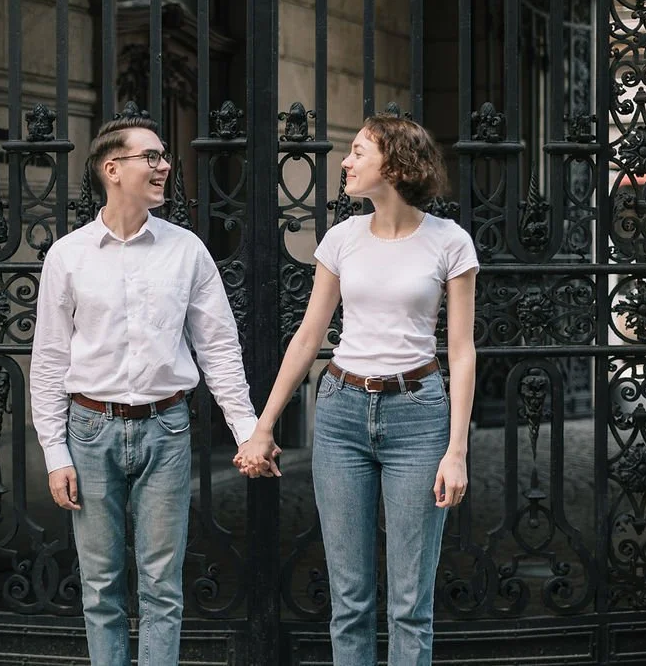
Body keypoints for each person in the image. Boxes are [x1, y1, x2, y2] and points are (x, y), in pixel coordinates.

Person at [235, 115, 478, 665]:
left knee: (410, 603)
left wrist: (456, 450)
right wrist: (263, 426)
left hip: (417, 416)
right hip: (341, 412)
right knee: (349, 600)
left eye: (359, 151)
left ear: (395, 165)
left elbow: (462, 351)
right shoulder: (342, 239)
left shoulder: (450, 242)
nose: (345, 161)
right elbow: (308, 337)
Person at [30, 108, 269, 665]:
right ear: (112, 169)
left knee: (162, 585)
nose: (165, 166)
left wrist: (247, 430)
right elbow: (49, 360)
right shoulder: (68, 256)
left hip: (167, 429)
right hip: (89, 431)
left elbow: (218, 347)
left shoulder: (187, 250)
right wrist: (54, 452)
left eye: (164, 157)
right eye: (152, 157)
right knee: (100, 586)